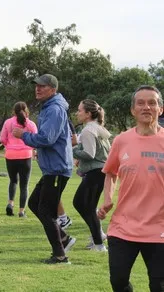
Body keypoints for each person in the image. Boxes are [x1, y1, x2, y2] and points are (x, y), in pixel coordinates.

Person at [98, 85, 164, 292]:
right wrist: (107, 199)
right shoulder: (121, 140)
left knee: (159, 285)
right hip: (123, 226)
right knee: (118, 281)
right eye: (141, 103)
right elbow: (110, 172)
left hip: (159, 228)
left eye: (152, 102)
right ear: (133, 110)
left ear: (160, 109)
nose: (147, 107)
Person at [13, 74, 75, 264]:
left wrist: (25, 135)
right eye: (37, 86)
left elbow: (47, 138)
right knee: (34, 203)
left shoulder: (55, 109)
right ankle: (63, 238)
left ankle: (60, 254)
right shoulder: (50, 107)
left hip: (57, 168)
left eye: (43, 86)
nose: (38, 89)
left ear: (53, 89)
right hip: (52, 168)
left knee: (46, 211)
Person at [72, 99, 110, 251]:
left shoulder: (88, 130)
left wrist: (73, 149)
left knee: (81, 204)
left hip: (95, 172)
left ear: (88, 114)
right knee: (88, 206)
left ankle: (99, 243)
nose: (77, 113)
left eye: (80, 110)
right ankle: (98, 237)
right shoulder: (98, 127)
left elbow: (89, 153)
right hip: (100, 172)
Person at [0, 101, 38, 217]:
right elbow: (36, 139)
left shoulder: (8, 122)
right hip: (25, 155)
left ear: (13, 111)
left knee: (13, 181)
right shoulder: (30, 124)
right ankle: (21, 211)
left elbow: (2, 138)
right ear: (26, 111)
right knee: (24, 184)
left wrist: (9, 145)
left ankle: (10, 203)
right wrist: (30, 148)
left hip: (10, 155)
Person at [56, 119, 78, 230]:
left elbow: (75, 140)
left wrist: (62, 144)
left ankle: (64, 219)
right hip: (60, 162)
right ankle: (62, 217)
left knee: (54, 192)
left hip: (61, 162)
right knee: (54, 193)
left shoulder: (67, 122)